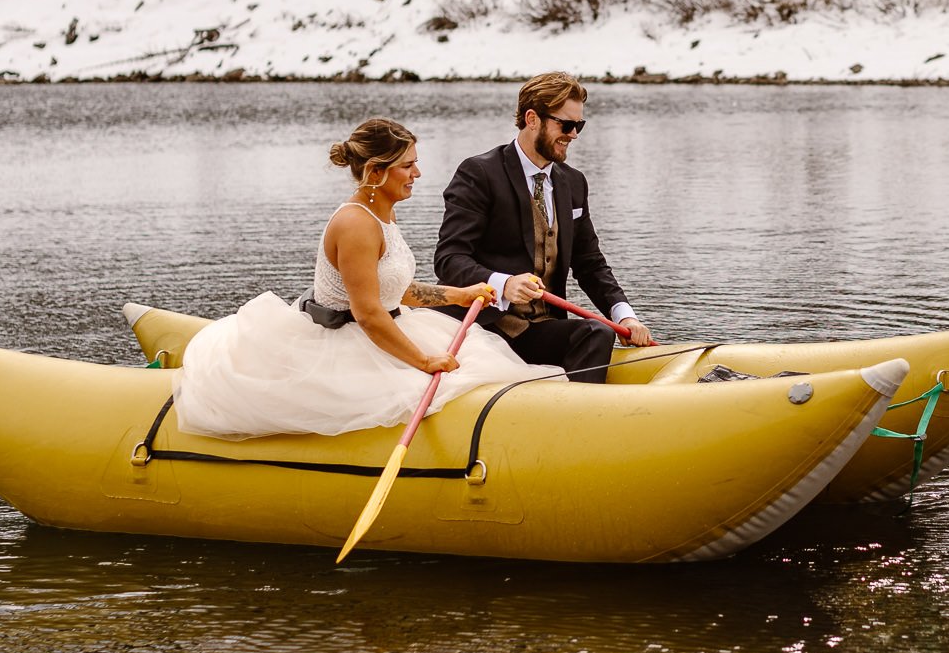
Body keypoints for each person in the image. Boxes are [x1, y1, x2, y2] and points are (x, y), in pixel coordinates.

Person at [172, 118, 554, 440]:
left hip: (388, 323)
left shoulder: (383, 213)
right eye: (407, 166)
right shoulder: (356, 224)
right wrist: (423, 362)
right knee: (441, 381)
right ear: (376, 172)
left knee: (482, 366)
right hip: (349, 338)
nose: (417, 174)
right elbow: (369, 313)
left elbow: (397, 290)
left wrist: (460, 294)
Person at [432, 72, 655, 385]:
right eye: (566, 125)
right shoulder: (479, 173)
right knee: (595, 333)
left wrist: (624, 315)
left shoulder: (574, 182)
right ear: (532, 118)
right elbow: (449, 259)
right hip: (485, 327)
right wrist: (503, 284)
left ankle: (582, 415)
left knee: (598, 332)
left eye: (580, 125)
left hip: (539, 327)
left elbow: (590, 263)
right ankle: (580, 418)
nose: (574, 134)